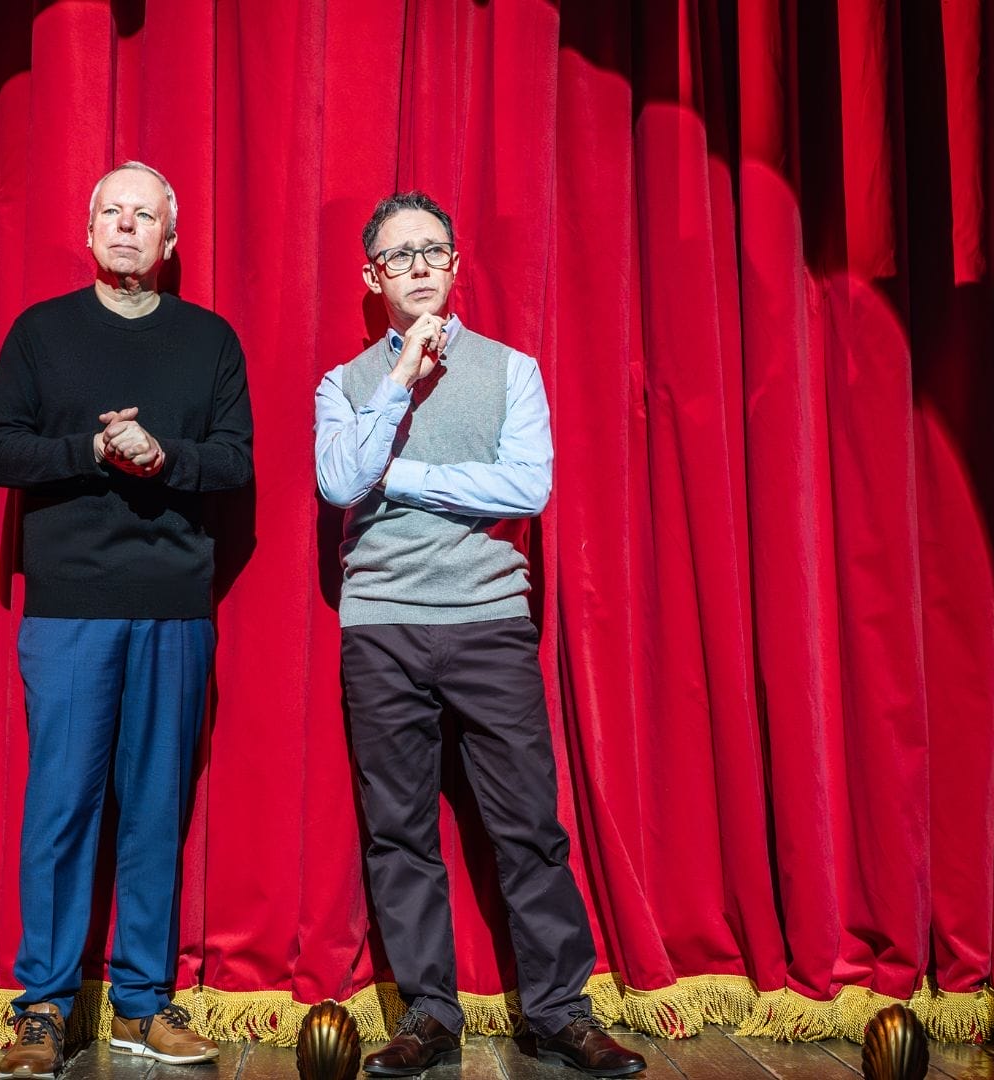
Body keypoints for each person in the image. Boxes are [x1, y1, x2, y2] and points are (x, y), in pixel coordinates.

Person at [313, 192, 646, 1078]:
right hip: (381, 626)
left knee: (528, 825)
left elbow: (526, 488)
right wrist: (398, 382)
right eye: (399, 255)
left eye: (434, 250)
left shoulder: (511, 371)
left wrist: (400, 475)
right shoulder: (346, 384)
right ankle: (429, 1016)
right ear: (372, 277)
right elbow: (340, 483)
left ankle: (559, 1013)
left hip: (489, 621)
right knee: (398, 831)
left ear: (456, 266)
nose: (419, 266)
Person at [0, 161, 252, 1080]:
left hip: (174, 609)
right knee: (62, 806)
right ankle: (43, 1008)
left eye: (145, 215)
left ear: (170, 239)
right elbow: (0, 452)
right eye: (112, 212)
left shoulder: (209, 340)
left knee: (154, 810)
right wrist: (95, 450)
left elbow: (236, 462)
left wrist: (163, 456)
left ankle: (141, 1002)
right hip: (71, 609)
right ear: (89, 230)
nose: (127, 225)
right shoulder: (40, 333)